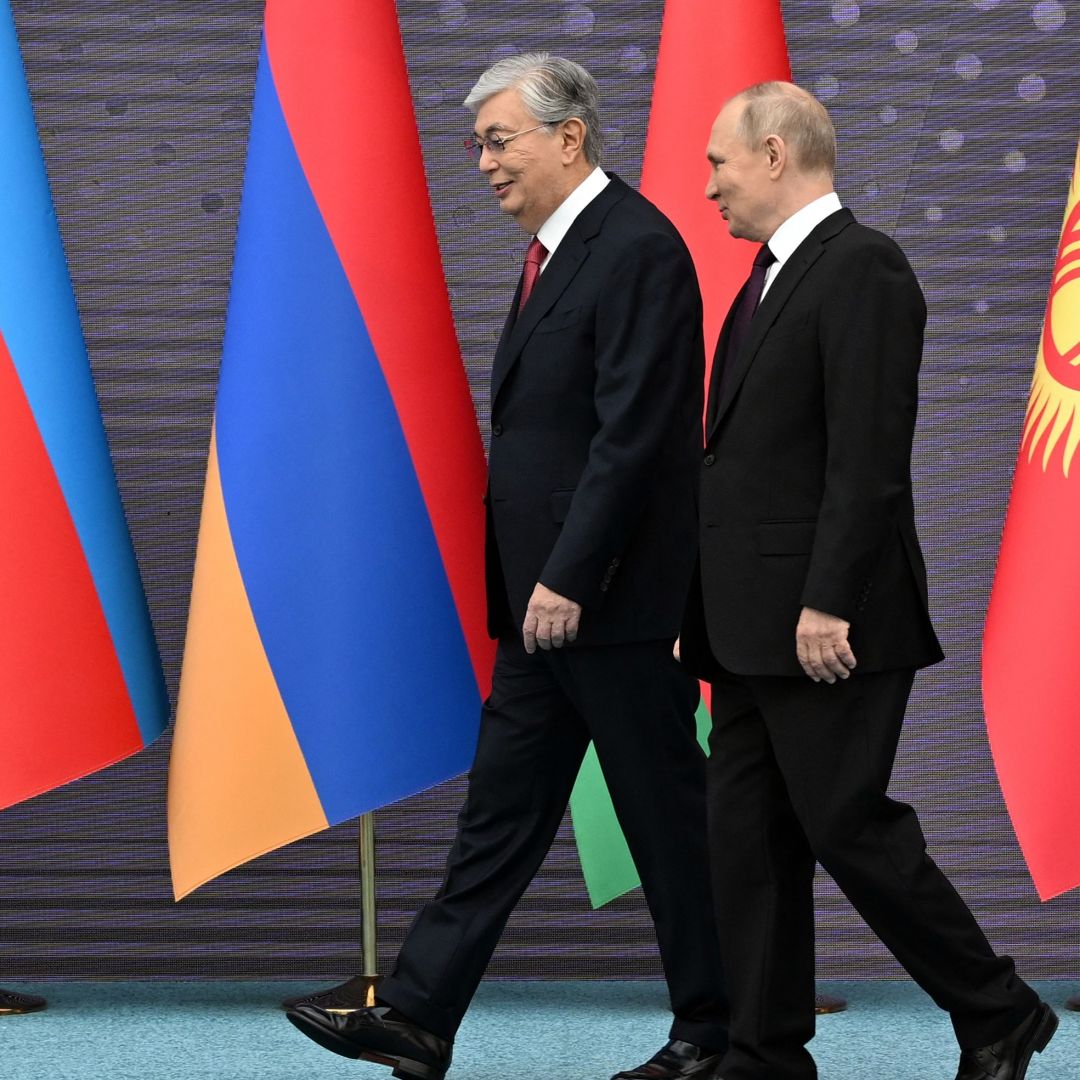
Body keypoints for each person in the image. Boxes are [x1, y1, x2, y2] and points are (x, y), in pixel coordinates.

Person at [286, 53, 729, 1080]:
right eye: (477, 144)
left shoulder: (637, 248)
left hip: (607, 603)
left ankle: (717, 1035)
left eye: (499, 140)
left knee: (671, 828)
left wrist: (571, 575)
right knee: (496, 823)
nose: (482, 163)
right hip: (542, 608)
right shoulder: (553, 253)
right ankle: (417, 1014)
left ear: (569, 137)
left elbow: (632, 438)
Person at [678, 80, 1056, 1080]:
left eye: (718, 161)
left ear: (772, 154)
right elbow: (736, 465)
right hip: (747, 625)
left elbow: (870, 458)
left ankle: (998, 1010)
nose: (706, 184)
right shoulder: (762, 279)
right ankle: (764, 1055)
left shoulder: (865, 268)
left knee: (847, 825)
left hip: (828, 622)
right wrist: (697, 606)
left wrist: (827, 599)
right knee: (748, 842)